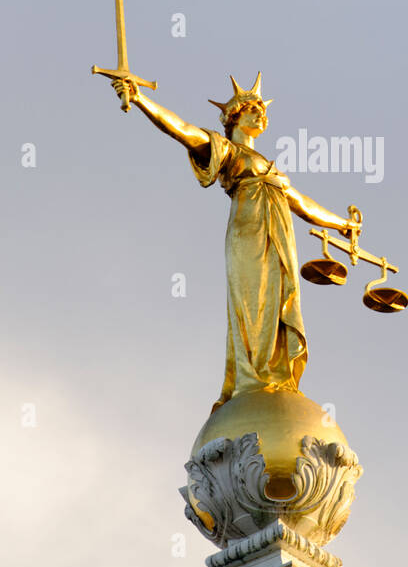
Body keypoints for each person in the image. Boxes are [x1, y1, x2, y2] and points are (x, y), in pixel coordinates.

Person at [111, 73, 361, 412]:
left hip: (279, 236)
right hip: (248, 231)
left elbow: (303, 205)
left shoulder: (273, 170)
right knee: (252, 299)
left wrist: (342, 225)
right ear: (235, 116)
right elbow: (183, 130)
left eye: (262, 110)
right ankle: (251, 378)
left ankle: (273, 373)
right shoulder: (228, 150)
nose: (261, 115)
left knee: (277, 298)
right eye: (252, 110)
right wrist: (140, 99)